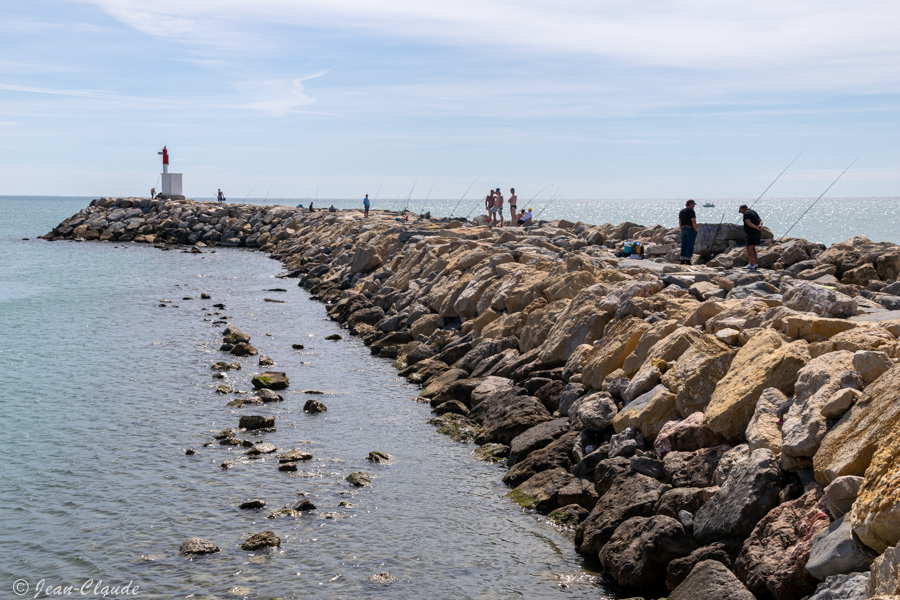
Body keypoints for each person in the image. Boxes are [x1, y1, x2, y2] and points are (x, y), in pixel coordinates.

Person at [739, 204, 763, 269]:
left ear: (742, 209)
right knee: (753, 249)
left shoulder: (746, 213)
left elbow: (748, 222)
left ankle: (751, 264)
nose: (741, 212)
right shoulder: (754, 212)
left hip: (751, 233)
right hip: (757, 233)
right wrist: (759, 226)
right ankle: (755, 263)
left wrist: (756, 227)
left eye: (741, 211)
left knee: (749, 249)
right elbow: (760, 220)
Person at [678, 199, 698, 265]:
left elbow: (680, 221)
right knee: (690, 245)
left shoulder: (681, 211)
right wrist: (695, 230)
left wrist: (681, 229)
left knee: (684, 244)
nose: (694, 206)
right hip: (690, 228)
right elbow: (693, 221)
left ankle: (682, 259)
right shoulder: (691, 211)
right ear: (690, 204)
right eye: (693, 204)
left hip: (683, 228)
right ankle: (688, 259)